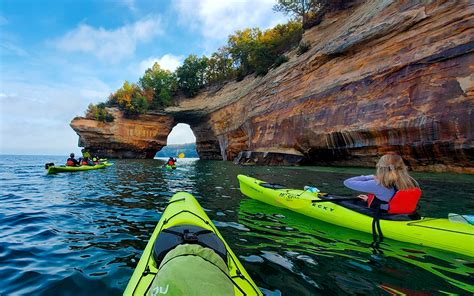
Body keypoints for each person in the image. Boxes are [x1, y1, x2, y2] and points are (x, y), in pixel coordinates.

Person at [343, 153, 421, 214]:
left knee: (346, 203)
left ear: (380, 168)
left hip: (385, 216)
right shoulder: (412, 182)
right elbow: (394, 199)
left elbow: (347, 182)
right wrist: (369, 199)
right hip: (406, 216)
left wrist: (371, 176)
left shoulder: (377, 183)